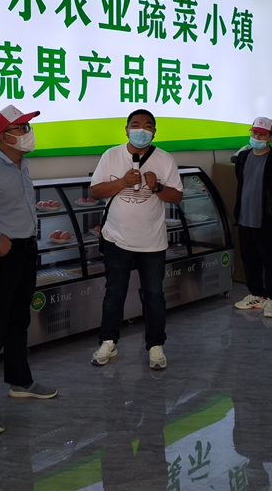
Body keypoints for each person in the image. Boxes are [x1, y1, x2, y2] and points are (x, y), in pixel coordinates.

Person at [0, 105, 57, 435]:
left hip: (26, 252)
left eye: (27, 127)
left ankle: (20, 380)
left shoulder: (23, 166)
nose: (27, 133)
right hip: (0, 257)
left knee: (19, 320)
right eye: (21, 128)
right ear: (3, 136)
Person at [89, 109, 183, 370]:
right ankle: (108, 341)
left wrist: (158, 187)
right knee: (114, 294)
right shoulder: (111, 155)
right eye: (136, 124)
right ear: (126, 129)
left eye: (148, 125)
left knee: (154, 295)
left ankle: (155, 346)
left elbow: (177, 197)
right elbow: (95, 191)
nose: (142, 130)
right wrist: (121, 182)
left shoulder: (165, 159)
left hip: (152, 243)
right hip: (116, 240)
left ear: (155, 131)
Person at [232, 117, 272, 318]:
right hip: (244, 218)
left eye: (262, 134)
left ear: (270, 137)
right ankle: (256, 294)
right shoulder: (243, 157)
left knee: (271, 260)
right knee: (249, 258)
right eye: (254, 133)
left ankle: (271, 299)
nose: (257, 137)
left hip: (267, 220)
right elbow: (241, 182)